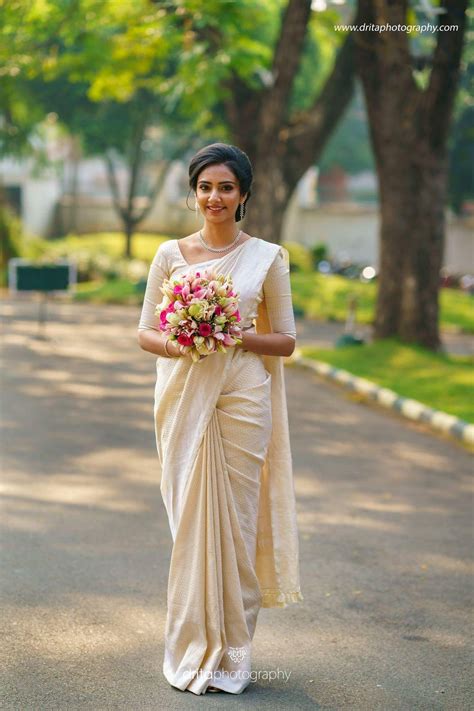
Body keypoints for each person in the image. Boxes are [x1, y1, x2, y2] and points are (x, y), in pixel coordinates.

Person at [137, 143, 303, 695]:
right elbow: (145, 332)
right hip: (183, 396)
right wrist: (184, 339)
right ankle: (190, 648)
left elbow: (285, 340)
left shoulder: (268, 258)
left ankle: (233, 655)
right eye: (206, 187)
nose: (215, 197)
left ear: (244, 195)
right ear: (193, 193)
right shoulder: (169, 255)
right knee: (190, 521)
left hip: (243, 397)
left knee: (235, 524)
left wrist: (229, 334)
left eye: (226, 188)